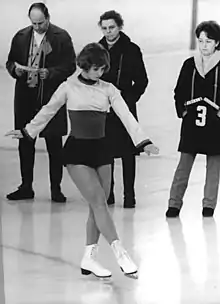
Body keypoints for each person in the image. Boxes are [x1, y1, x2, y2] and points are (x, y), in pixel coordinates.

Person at [6, 43, 159, 279]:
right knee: (98, 200)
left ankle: (89, 258)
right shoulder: (68, 87)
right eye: (97, 69)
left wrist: (143, 141)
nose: (101, 73)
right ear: (84, 67)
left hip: (102, 151)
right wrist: (27, 131)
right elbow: (48, 110)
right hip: (77, 152)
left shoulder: (109, 89)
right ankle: (120, 252)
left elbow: (126, 115)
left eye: (103, 68)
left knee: (97, 207)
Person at [6, 2, 76, 202]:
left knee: (54, 144)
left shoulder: (61, 37)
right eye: (33, 23)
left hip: (50, 98)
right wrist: (14, 70)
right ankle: (26, 186)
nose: (37, 27)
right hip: (25, 98)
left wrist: (51, 73)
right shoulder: (20, 37)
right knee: (25, 143)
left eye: (40, 23)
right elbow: (10, 61)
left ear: (48, 17)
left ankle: (56, 189)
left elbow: (71, 65)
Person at [166, 21, 220, 218]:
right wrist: (183, 111)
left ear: (217, 43)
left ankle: (209, 206)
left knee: (214, 169)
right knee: (183, 166)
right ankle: (174, 204)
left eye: (209, 41)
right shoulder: (190, 64)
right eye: (201, 41)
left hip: (216, 126)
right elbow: (178, 91)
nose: (204, 45)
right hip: (192, 125)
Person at [98, 10, 148, 208]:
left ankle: (129, 194)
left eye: (112, 27)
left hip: (125, 107)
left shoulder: (131, 50)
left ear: (119, 27)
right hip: (102, 108)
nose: (108, 32)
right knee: (106, 152)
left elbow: (142, 80)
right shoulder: (97, 49)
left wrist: (128, 100)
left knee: (128, 152)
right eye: (105, 28)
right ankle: (108, 193)